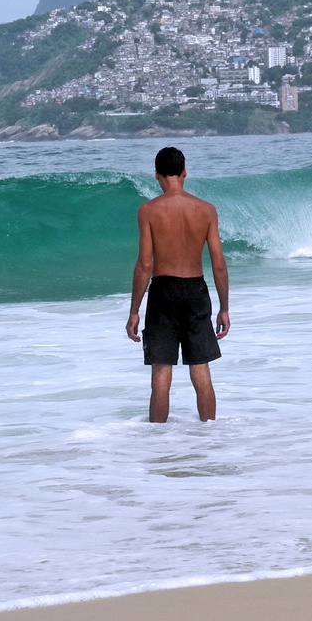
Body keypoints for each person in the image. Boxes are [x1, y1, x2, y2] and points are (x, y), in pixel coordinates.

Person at [126, 146, 230, 423]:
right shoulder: (206, 210)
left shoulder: (148, 210)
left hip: (163, 291)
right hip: (196, 290)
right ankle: (211, 434)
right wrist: (224, 308)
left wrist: (134, 311)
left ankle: (157, 443)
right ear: (184, 172)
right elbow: (219, 264)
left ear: (157, 175)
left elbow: (145, 265)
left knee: (161, 370)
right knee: (201, 367)